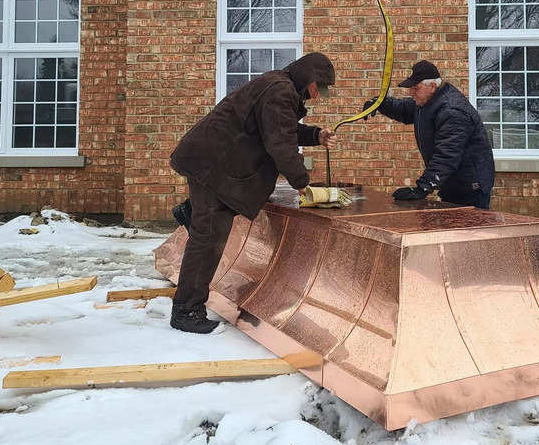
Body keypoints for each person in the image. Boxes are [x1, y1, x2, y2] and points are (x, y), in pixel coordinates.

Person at [168, 52, 336, 333]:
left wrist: (315, 135)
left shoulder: (279, 87)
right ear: (310, 79)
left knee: (208, 230)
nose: (320, 96)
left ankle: (191, 211)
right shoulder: (280, 91)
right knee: (208, 242)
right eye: (321, 88)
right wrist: (303, 184)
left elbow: (279, 127)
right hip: (212, 167)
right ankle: (186, 311)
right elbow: (279, 142)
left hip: (214, 166)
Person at [362, 60, 494, 208]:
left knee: (468, 231)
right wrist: (380, 103)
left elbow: (446, 155)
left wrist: (423, 187)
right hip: (452, 184)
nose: (411, 92)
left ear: (432, 86)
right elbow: (404, 109)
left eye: (415, 88)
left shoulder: (452, 112)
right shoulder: (428, 102)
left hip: (470, 189)